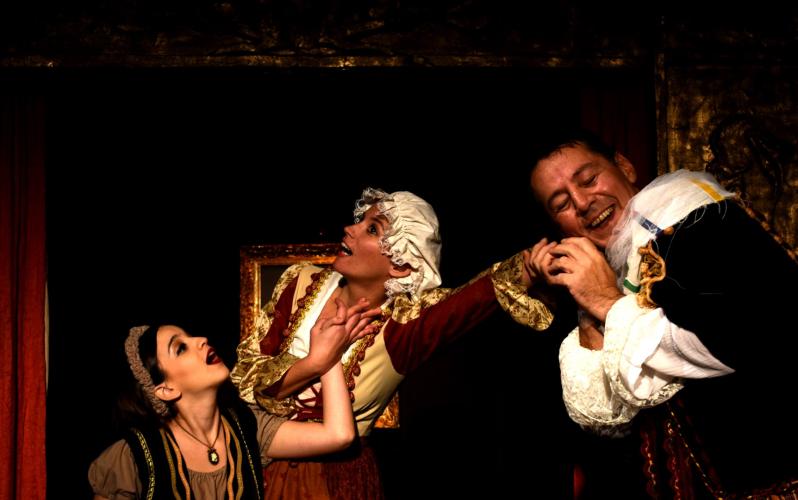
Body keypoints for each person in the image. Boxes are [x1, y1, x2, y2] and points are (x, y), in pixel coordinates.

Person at [525, 128, 798, 498]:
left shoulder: (698, 223)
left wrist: (607, 303)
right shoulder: (617, 263)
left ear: (624, 166)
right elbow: (608, 421)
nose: (584, 202)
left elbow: (736, 339)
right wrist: (582, 297)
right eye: (561, 204)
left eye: (589, 180)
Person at [231, 187, 554, 499]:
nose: (350, 229)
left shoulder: (402, 328)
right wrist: (316, 362)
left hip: (333, 480)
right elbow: (248, 378)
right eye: (360, 220)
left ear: (400, 265)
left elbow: (474, 296)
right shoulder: (299, 281)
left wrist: (532, 266)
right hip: (255, 465)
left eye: (372, 229)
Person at [88, 299, 377, 499]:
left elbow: (339, 436)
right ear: (166, 390)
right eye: (180, 348)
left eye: (189, 336)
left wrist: (327, 358)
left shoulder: (249, 427)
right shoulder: (132, 458)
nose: (200, 339)